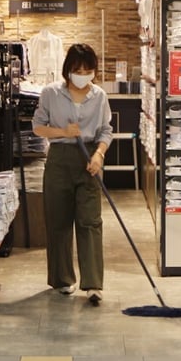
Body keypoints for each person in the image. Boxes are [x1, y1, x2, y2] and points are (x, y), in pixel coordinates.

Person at [32, 44, 114, 305]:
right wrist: (63, 133)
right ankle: (62, 278)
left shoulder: (99, 96)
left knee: (90, 221)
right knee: (58, 221)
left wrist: (99, 155)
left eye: (88, 70)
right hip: (59, 160)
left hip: (88, 159)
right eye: (78, 70)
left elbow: (106, 131)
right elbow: (38, 128)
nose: (83, 75)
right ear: (68, 70)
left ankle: (93, 283)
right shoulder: (50, 93)